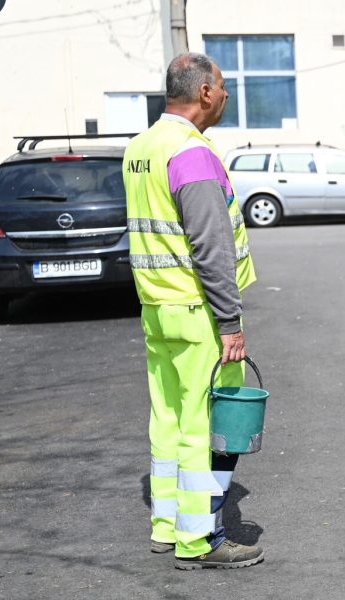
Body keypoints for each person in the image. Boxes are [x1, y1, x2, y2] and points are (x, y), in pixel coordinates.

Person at [123, 52, 263, 570]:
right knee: (207, 425)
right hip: (199, 311)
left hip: (156, 308)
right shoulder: (192, 152)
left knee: (167, 419)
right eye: (222, 86)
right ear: (204, 92)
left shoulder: (140, 148)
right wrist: (229, 322)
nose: (225, 94)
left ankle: (167, 527)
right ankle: (200, 538)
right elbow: (211, 245)